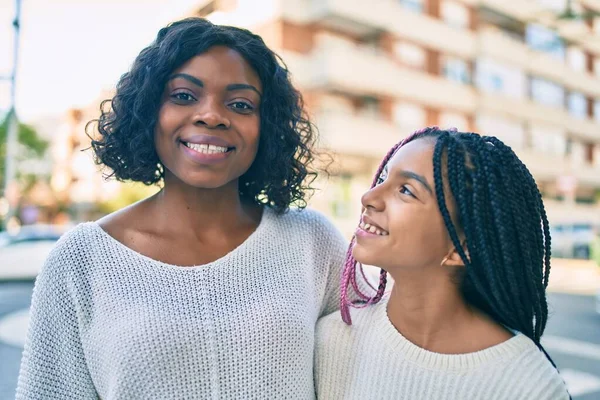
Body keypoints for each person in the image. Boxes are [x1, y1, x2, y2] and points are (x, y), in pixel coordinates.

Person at [17, 18, 347, 399]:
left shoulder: (312, 242)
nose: (211, 115)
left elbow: (369, 366)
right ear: (149, 112)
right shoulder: (80, 261)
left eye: (240, 104)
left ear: (266, 126)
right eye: (184, 96)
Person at [315, 127, 571, 399]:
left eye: (406, 190)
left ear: (463, 247)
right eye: (382, 177)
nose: (369, 198)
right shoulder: (333, 339)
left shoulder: (530, 386)